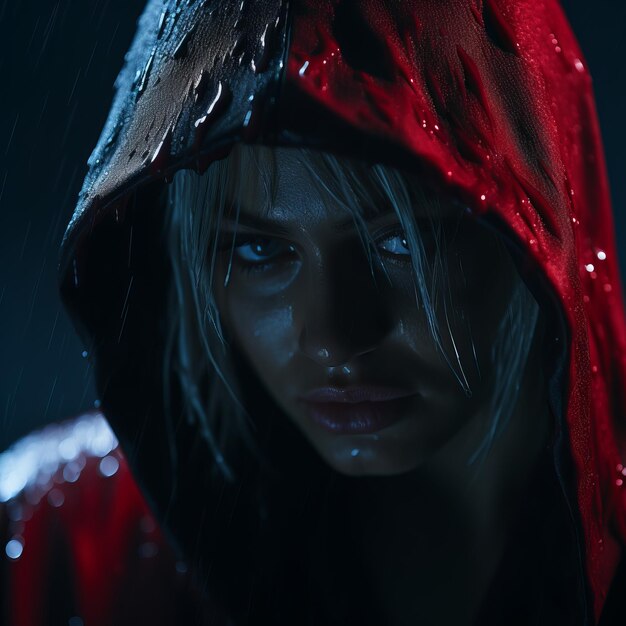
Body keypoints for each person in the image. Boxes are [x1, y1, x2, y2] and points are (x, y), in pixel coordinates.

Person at [1, 0, 625, 624]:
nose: (333, 338)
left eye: (401, 241)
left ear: (535, 228)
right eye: (258, 249)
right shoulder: (58, 542)